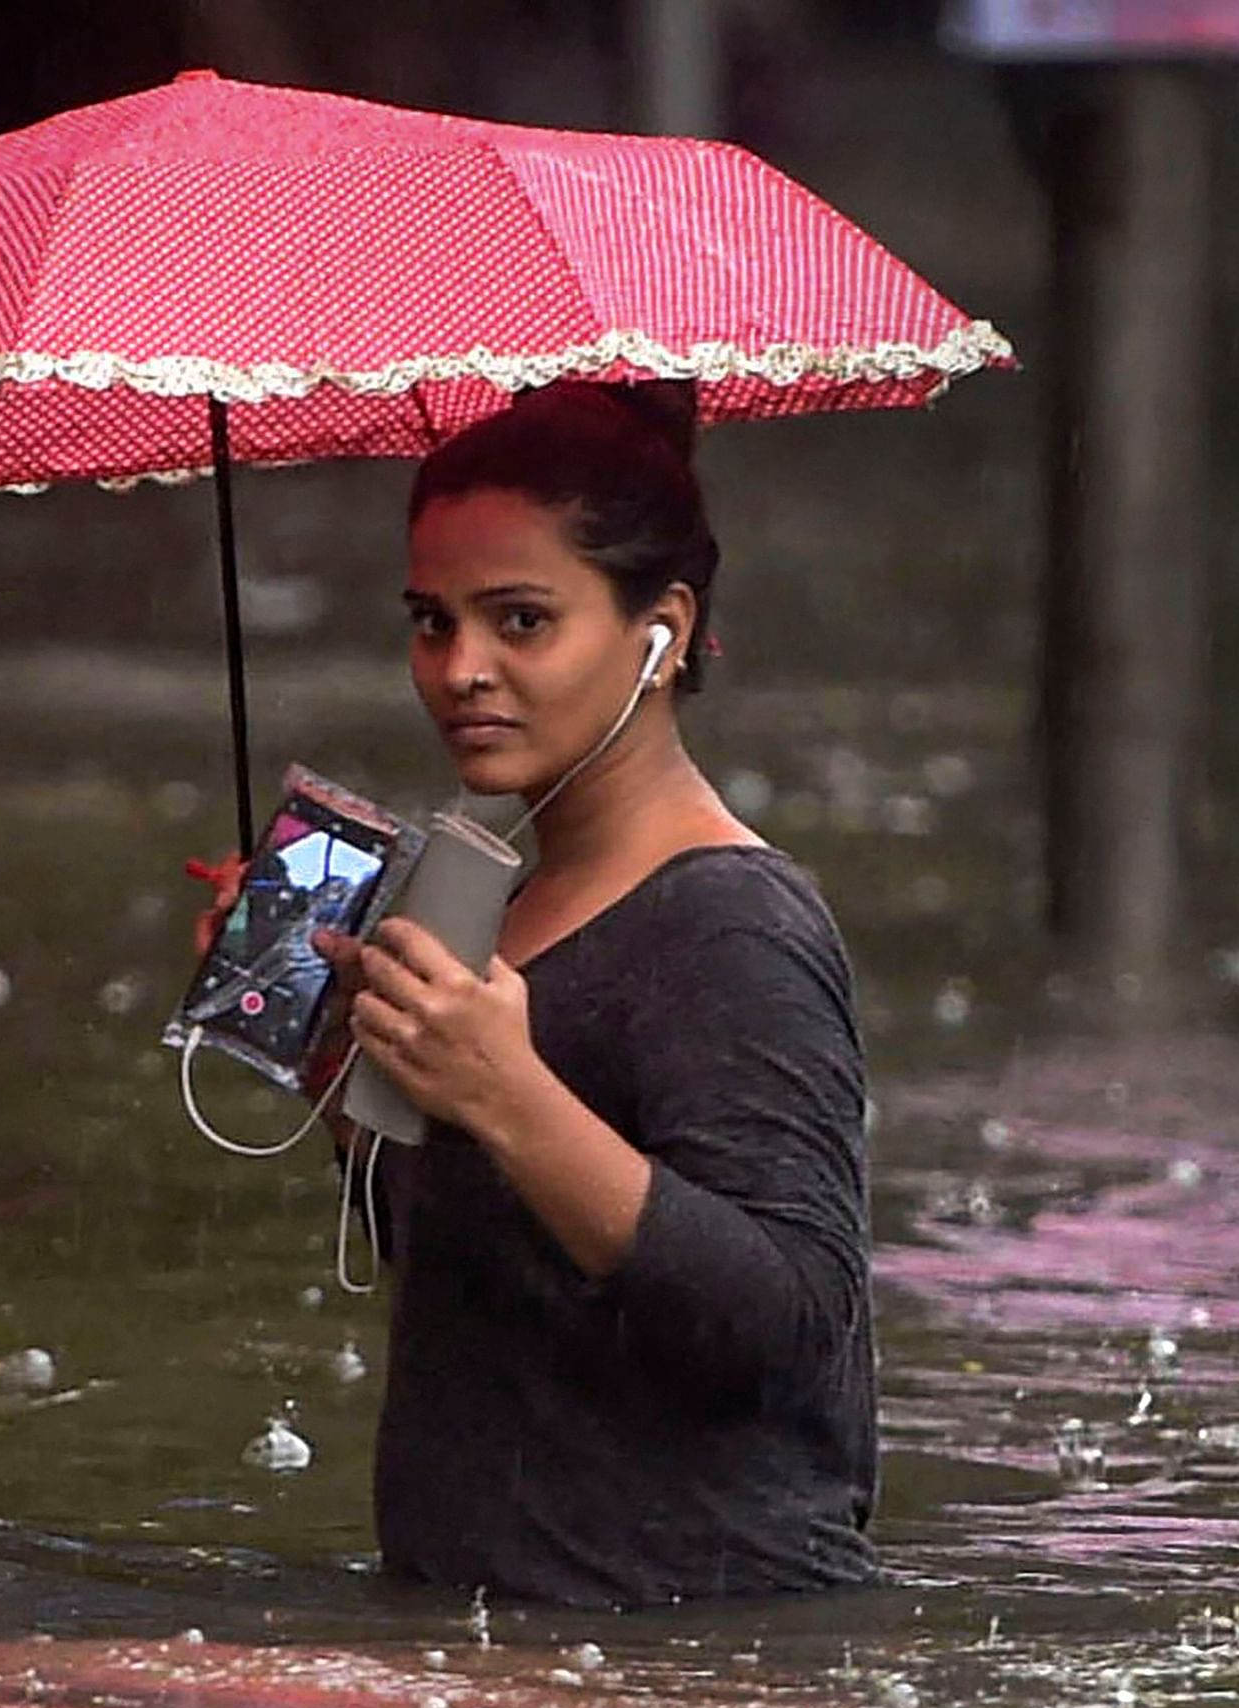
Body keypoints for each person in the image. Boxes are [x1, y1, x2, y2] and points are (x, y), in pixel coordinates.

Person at [304, 379, 877, 1610]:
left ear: (660, 630)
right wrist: (333, 1064)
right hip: (478, 1626)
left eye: (519, 621)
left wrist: (506, 1092)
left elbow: (786, 1321)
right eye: (428, 619)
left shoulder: (733, 924)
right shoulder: (490, 909)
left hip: (688, 1657)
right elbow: (491, 1288)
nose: (459, 670)